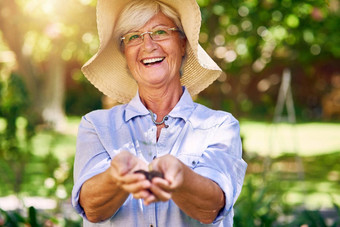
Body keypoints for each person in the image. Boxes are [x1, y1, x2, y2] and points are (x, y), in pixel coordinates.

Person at [71, 0, 247, 226]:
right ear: (125, 53)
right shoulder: (96, 125)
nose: (148, 45)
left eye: (160, 32)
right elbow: (92, 209)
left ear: (183, 44)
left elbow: (210, 208)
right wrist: (116, 176)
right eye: (134, 37)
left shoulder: (219, 126)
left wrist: (180, 175)